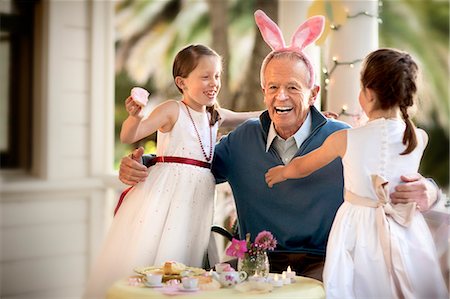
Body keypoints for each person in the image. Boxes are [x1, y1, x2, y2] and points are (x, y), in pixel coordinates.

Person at [118, 11, 441, 282]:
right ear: (263, 91)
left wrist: (429, 191)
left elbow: (392, 171)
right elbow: (191, 166)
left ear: (314, 93)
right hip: (256, 265)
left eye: (292, 87)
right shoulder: (240, 141)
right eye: (273, 87)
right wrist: (144, 163)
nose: (280, 96)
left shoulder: (344, 139)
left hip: (323, 263)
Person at [265, 48, 448, 298]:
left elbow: (304, 165)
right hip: (406, 229)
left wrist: (283, 172)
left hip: (358, 227)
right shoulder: (418, 138)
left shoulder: (346, 138)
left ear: (368, 94)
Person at [84, 44, 260, 298]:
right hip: (168, 197)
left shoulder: (215, 116)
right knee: (164, 255)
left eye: (217, 76)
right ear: (182, 82)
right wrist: (135, 116)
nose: (214, 82)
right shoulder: (172, 110)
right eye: (205, 76)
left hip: (197, 199)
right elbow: (129, 135)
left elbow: (252, 117)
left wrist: (303, 113)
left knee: (189, 258)